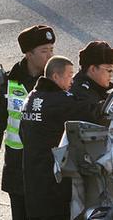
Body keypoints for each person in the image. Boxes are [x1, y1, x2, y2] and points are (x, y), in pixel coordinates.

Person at [0, 25, 56, 220]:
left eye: (52, 50)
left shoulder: (55, 80)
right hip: (17, 165)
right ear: (29, 54)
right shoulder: (9, 82)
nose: (50, 56)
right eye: (44, 51)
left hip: (45, 166)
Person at [20, 56, 103, 220]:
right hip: (54, 181)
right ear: (56, 76)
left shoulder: (31, 98)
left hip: (31, 177)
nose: (72, 81)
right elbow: (91, 114)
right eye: (69, 75)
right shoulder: (60, 101)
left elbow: (22, 134)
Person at [70, 41, 113, 122]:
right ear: (93, 69)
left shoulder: (97, 89)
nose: (111, 75)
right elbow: (90, 116)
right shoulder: (78, 92)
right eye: (109, 70)